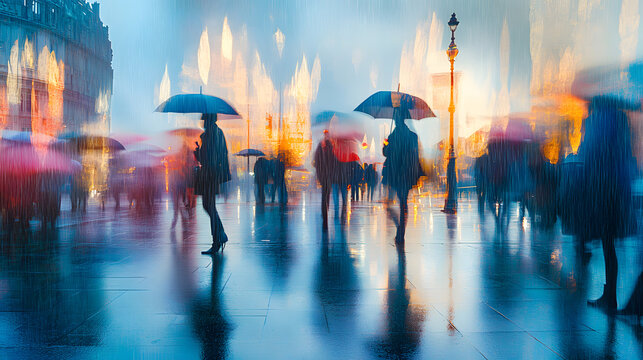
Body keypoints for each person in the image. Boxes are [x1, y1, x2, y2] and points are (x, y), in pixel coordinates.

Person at [576, 97, 636, 310]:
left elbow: (587, 153)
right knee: (609, 244)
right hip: (617, 190)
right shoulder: (621, 122)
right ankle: (609, 293)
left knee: (603, 240)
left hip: (600, 190)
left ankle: (609, 295)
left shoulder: (596, 122)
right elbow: (627, 158)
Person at [383, 107, 420, 243]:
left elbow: (386, 153)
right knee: (403, 202)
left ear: (397, 120)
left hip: (396, 173)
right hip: (407, 173)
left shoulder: (393, 136)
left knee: (395, 202)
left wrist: (386, 144)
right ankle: (401, 231)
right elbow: (415, 155)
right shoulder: (412, 136)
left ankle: (400, 228)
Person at [196, 113, 231, 255]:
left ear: (209, 120)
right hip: (213, 174)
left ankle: (218, 239)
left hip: (210, 174)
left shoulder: (211, 134)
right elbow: (221, 153)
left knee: (209, 206)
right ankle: (219, 236)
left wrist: (199, 154)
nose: (202, 121)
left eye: (204, 119)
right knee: (210, 206)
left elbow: (208, 157)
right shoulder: (216, 133)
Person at [313, 130, 340, 229]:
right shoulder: (325, 147)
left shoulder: (327, 147)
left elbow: (331, 161)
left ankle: (325, 209)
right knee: (326, 193)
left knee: (325, 193)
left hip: (326, 175)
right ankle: (325, 209)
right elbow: (333, 162)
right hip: (326, 175)